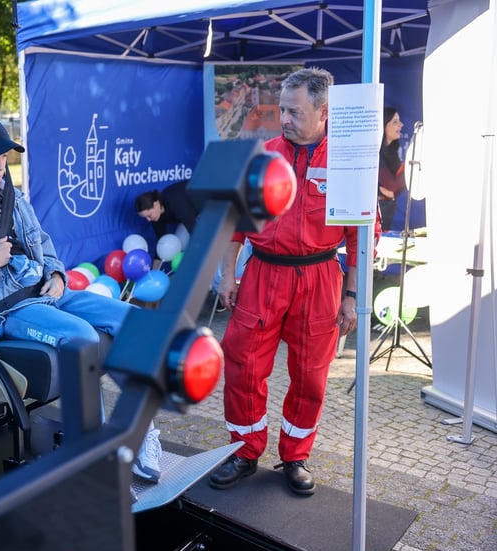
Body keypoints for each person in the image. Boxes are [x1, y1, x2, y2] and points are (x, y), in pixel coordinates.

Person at [0, 112, 163, 483]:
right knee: (83, 340)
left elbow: (43, 244)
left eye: (4, 158)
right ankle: (99, 446)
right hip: (6, 312)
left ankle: (142, 432)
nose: (1, 166)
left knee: (134, 320)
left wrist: (58, 274)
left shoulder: (14, 198)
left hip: (48, 294)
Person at [209, 68, 381, 495]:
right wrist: (228, 275)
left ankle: (296, 455)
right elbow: (234, 224)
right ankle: (244, 452)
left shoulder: (347, 161)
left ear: (323, 111)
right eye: (282, 110)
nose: (284, 118)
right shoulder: (263, 158)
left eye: (294, 111)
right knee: (244, 364)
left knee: (310, 375)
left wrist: (353, 295)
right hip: (263, 273)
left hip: (321, 277)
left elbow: (361, 237)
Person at [134, 181, 252, 312]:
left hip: (209, 210)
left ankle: (213, 288)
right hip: (191, 218)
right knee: (177, 243)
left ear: (156, 204)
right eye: (145, 218)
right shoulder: (156, 217)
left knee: (203, 247)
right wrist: (153, 274)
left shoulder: (175, 201)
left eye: (149, 215)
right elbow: (162, 244)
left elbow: (195, 231)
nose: (148, 220)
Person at [378, 107, 407, 232]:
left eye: (399, 121)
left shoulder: (393, 153)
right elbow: (390, 188)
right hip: (376, 223)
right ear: (384, 125)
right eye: (395, 121)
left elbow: (392, 192)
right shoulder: (375, 154)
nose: (401, 125)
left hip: (388, 220)